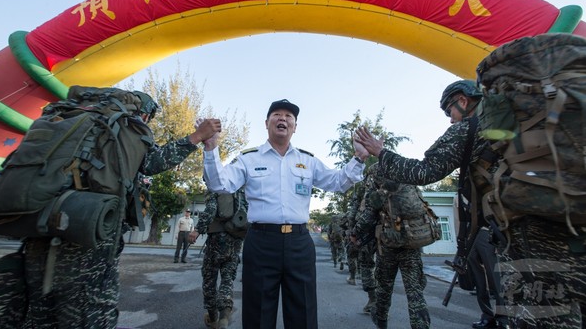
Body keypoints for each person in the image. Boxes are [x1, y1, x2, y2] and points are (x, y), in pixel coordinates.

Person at [20, 90, 221, 329]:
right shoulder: (125, 129)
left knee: (39, 312)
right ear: (143, 114)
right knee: (90, 314)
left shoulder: (67, 124)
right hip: (87, 237)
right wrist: (197, 136)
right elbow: (153, 162)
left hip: (38, 229)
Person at [355, 80, 509, 329]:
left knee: (383, 291)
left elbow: (423, 171)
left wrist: (380, 153)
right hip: (527, 219)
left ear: (463, 101)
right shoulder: (510, 120)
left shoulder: (469, 128)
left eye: (450, 112)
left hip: (393, 242)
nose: (451, 119)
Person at [202, 98, 368, 329]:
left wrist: (359, 158)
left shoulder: (307, 160)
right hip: (261, 242)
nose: (283, 119)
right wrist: (211, 149)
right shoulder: (249, 159)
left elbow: (338, 182)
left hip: (299, 243)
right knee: (257, 314)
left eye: (289, 116)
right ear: (267, 123)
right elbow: (219, 184)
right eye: (277, 115)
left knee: (303, 313)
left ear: (295, 126)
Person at [352, 169, 430, 329]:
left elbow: (368, 215)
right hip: (411, 242)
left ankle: (381, 322)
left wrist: (355, 233)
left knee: (384, 289)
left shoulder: (378, 187)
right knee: (415, 292)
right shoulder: (408, 179)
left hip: (388, 244)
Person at [188, 190, 246, 329]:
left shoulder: (217, 190)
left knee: (209, 279)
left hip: (216, 241)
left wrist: (197, 230)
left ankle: (213, 318)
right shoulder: (242, 194)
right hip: (235, 241)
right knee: (227, 280)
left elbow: (211, 210)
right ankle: (224, 318)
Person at [346, 166, 377, 313]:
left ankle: (373, 300)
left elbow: (353, 210)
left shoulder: (364, 188)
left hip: (367, 232)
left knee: (367, 265)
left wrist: (353, 231)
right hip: (392, 234)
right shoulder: (396, 182)